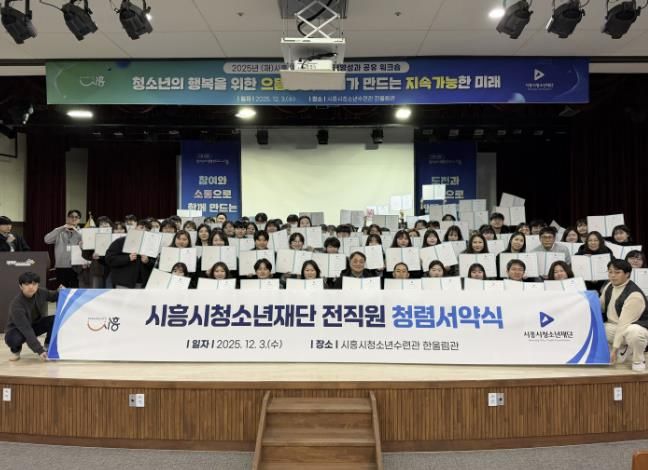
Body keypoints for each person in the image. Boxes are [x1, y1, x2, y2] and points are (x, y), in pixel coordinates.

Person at [603, 259, 648, 372]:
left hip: (633, 328)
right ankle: (624, 347)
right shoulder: (609, 286)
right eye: (610, 272)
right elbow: (600, 306)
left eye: (617, 272)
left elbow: (623, 324)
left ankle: (638, 359)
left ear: (627, 274)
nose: (612, 275)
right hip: (614, 327)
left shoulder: (634, 294)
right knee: (597, 327)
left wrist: (614, 350)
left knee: (634, 332)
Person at [5, 272, 59, 361]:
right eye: (27, 284)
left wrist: (62, 291)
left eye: (34, 284)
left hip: (35, 325)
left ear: (38, 285)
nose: (31, 287)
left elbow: (55, 296)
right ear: (21, 286)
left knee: (54, 319)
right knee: (13, 339)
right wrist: (39, 351)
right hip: (18, 329)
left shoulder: (41, 292)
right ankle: (16, 350)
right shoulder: (16, 305)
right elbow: (26, 329)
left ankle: (47, 346)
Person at [105, 219, 155, 289]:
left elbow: (155, 263)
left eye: (147, 229)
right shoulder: (120, 241)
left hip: (142, 284)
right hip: (123, 283)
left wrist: (148, 261)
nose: (143, 230)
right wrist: (127, 258)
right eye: (141, 227)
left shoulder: (151, 244)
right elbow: (109, 259)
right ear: (135, 227)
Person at [44, 209, 83, 287]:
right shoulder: (59, 232)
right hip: (61, 266)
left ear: (79, 220)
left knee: (75, 290)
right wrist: (61, 228)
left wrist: (76, 231)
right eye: (71, 216)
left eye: (76, 217)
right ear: (67, 218)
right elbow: (46, 240)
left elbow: (87, 244)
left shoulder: (81, 232)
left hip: (76, 267)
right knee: (62, 290)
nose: (74, 219)